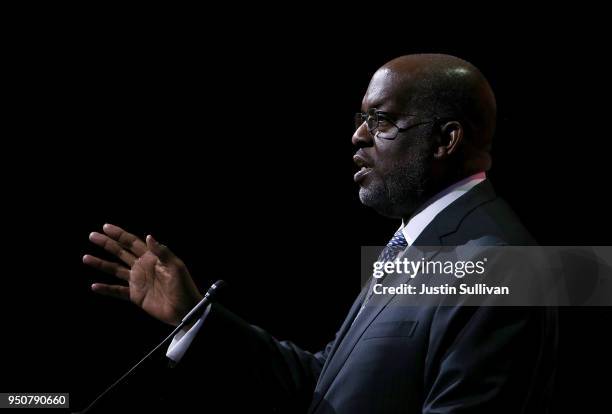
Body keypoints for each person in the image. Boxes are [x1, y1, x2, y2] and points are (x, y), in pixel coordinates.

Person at [83, 54, 557, 413]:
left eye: (382, 120)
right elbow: (323, 382)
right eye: (361, 120)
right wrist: (195, 317)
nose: (358, 136)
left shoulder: (500, 264)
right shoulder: (420, 245)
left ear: (445, 139)